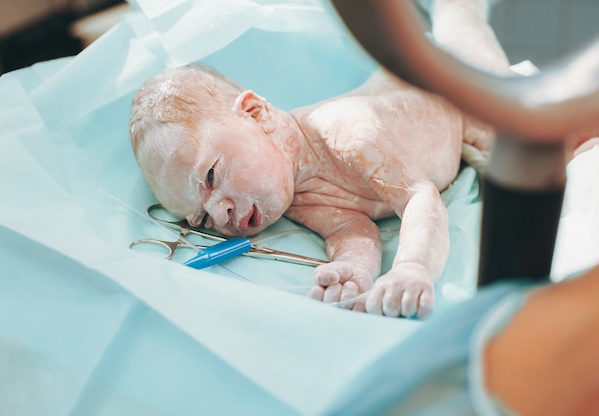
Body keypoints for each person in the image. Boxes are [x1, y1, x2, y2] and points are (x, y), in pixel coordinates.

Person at [128, 0, 520, 319]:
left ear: (255, 113)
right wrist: (356, 270)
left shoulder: (344, 130)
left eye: (211, 177)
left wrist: (412, 269)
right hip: (420, 84)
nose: (220, 214)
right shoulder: (293, 199)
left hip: (448, 79)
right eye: (200, 219)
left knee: (515, 105)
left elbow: (420, 196)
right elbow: (351, 229)